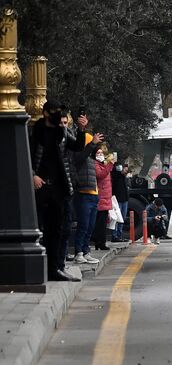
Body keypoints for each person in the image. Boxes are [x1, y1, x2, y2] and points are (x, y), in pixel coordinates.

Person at [29, 101, 81, 281]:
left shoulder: (62, 132)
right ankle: (39, 268)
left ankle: (55, 268)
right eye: (54, 112)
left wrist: (81, 128)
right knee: (40, 229)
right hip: (41, 187)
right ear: (45, 113)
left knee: (57, 230)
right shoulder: (36, 131)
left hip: (59, 189)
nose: (58, 115)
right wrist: (33, 175)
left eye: (60, 112)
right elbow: (26, 155)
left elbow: (77, 147)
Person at [66, 110, 103, 265]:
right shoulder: (76, 147)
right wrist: (91, 143)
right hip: (83, 191)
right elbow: (79, 157)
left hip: (93, 191)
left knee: (90, 225)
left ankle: (86, 250)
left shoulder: (91, 156)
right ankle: (79, 252)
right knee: (83, 224)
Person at [94, 145, 115, 252]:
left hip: (105, 198)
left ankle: (101, 242)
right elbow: (100, 175)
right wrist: (110, 164)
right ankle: (100, 242)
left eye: (102, 153)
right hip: (101, 198)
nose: (100, 155)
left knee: (103, 223)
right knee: (100, 223)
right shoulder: (96, 165)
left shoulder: (103, 165)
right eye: (98, 153)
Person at [110, 153, 130, 243]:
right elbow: (115, 174)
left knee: (122, 218)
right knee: (117, 217)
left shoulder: (123, 176)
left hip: (124, 198)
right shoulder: (115, 169)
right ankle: (114, 235)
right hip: (117, 198)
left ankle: (119, 235)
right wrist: (121, 172)